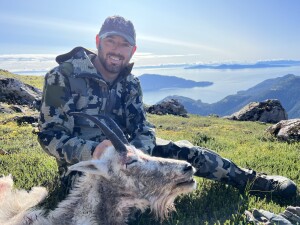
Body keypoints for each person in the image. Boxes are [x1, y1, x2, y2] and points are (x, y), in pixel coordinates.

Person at [38, 15, 297, 201]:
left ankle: (253, 182)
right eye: (111, 41)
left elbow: (142, 126)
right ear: (98, 41)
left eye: (124, 44)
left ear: (133, 49)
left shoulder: (130, 83)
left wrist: (140, 154)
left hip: (132, 155)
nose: (117, 50)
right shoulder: (61, 77)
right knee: (114, 197)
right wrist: (92, 150)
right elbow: (49, 135)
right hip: (88, 165)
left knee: (187, 152)